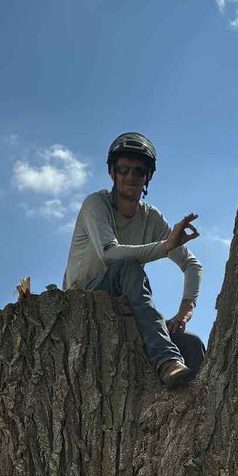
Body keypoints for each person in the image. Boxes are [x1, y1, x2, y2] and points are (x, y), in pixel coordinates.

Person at [63, 132, 205, 389]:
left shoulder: (151, 218)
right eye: (123, 169)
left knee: (192, 345)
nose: (130, 176)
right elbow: (109, 253)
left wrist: (184, 313)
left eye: (138, 171)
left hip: (128, 304)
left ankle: (190, 410)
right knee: (128, 266)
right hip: (81, 300)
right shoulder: (96, 204)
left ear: (147, 177)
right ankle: (167, 362)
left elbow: (192, 265)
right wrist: (165, 247)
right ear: (112, 172)